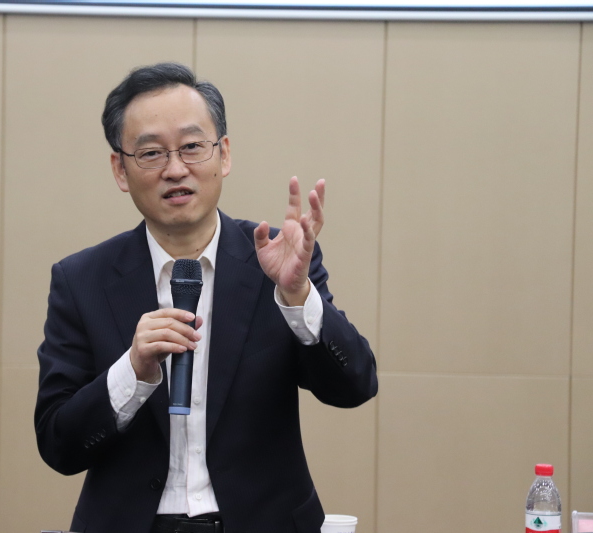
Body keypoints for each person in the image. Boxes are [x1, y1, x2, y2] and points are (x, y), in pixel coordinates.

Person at [35, 62, 378, 533]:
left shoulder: (277, 262)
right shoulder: (82, 280)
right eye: (151, 153)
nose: (176, 169)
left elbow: (355, 386)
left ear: (224, 154)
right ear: (120, 169)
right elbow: (59, 445)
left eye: (192, 147)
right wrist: (132, 371)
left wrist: (298, 296)